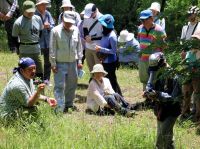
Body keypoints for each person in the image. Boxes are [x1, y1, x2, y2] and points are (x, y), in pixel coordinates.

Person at [144, 52, 182, 149]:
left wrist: (158, 94)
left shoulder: (175, 76)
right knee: (167, 137)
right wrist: (148, 92)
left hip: (172, 109)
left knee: (161, 139)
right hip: (160, 109)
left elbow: (174, 97)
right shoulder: (155, 71)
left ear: (162, 64)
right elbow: (150, 84)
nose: (154, 71)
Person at [49, 11, 83, 113]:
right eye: (67, 22)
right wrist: (53, 63)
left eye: (71, 22)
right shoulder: (55, 31)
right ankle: (59, 107)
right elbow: (52, 48)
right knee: (59, 86)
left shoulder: (76, 30)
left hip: (73, 62)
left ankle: (68, 104)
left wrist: (80, 60)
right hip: (60, 63)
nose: (69, 24)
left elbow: (79, 47)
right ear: (63, 19)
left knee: (72, 84)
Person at [12, 0, 44, 81]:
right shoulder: (18, 22)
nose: (31, 13)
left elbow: (40, 32)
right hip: (25, 50)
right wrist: (19, 48)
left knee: (39, 71)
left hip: (36, 50)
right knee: (25, 72)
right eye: (28, 11)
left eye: (32, 11)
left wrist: (35, 41)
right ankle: (26, 90)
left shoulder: (38, 18)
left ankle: (39, 91)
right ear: (24, 10)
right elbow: (14, 38)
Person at [137, 9, 167, 91]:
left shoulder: (159, 30)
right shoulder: (140, 28)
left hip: (154, 61)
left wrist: (162, 58)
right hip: (143, 58)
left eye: (145, 19)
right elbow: (139, 41)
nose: (143, 21)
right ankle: (147, 99)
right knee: (144, 79)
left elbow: (164, 45)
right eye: (141, 19)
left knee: (155, 80)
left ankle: (155, 99)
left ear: (151, 18)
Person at [180, 6, 200, 118]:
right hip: (187, 59)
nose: (188, 16)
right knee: (186, 88)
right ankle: (185, 111)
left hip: (197, 59)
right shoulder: (185, 27)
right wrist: (182, 53)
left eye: (190, 14)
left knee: (197, 88)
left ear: (196, 15)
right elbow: (182, 42)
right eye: (188, 14)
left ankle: (196, 113)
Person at [95, 14, 122, 96]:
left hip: (110, 62)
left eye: (103, 25)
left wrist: (101, 49)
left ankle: (117, 96)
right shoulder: (104, 33)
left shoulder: (112, 36)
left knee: (112, 80)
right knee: (107, 79)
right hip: (104, 60)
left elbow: (114, 51)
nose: (102, 26)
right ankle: (111, 95)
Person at [35, 0, 55, 84]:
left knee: (48, 62)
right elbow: (33, 28)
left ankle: (46, 80)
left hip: (48, 41)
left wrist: (49, 26)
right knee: (37, 62)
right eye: (42, 4)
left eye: (45, 4)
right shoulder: (34, 15)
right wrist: (43, 26)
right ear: (38, 5)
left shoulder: (48, 13)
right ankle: (38, 79)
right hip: (38, 41)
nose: (44, 6)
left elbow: (53, 25)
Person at [182, 30, 200, 122]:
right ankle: (185, 113)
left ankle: (197, 116)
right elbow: (185, 62)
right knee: (186, 94)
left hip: (197, 77)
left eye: (196, 39)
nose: (194, 41)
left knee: (197, 96)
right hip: (188, 75)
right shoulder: (189, 50)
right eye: (193, 39)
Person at [82, 3, 103, 72]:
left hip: (98, 47)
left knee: (99, 69)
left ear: (95, 11)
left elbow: (105, 36)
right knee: (91, 68)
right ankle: (93, 82)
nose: (89, 17)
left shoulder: (102, 18)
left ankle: (100, 82)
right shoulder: (86, 17)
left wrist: (92, 38)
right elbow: (85, 27)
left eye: (91, 15)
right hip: (88, 47)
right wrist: (86, 36)